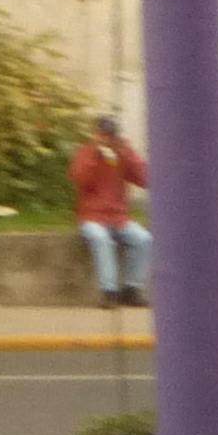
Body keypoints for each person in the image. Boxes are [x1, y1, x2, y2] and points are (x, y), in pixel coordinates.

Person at [70, 113, 151, 311]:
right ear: (97, 135)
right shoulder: (85, 152)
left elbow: (145, 180)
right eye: (104, 135)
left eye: (111, 135)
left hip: (118, 217)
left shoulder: (122, 153)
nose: (108, 139)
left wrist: (128, 155)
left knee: (144, 239)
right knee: (101, 239)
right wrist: (95, 156)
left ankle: (132, 288)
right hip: (91, 217)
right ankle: (109, 292)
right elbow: (79, 179)